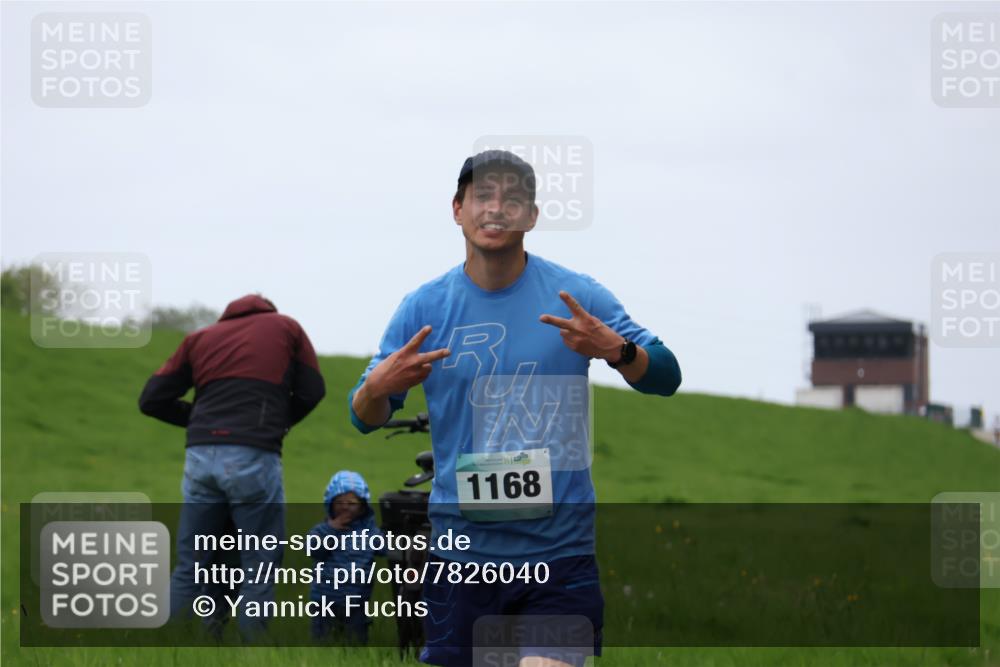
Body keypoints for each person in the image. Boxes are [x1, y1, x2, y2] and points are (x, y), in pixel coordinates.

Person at [349, 150, 681, 667]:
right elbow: (362, 417)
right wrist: (377, 388)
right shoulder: (424, 308)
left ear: (532, 216)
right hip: (460, 561)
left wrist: (618, 351)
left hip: (559, 560)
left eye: (513, 199)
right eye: (482, 195)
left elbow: (666, 375)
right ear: (458, 209)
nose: (496, 208)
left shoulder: (577, 296)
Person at [138, 294, 326, 638]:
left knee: (190, 566)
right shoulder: (286, 328)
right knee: (260, 564)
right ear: (267, 309)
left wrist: (200, 419)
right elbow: (313, 390)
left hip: (200, 457)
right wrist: (276, 423)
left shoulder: (200, 338)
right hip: (253, 455)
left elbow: (151, 399)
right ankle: (252, 648)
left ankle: (160, 645)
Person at [307, 470, 386, 644]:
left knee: (356, 640)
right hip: (324, 600)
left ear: (363, 506)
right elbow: (314, 549)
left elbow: (388, 548)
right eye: (339, 502)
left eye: (352, 503)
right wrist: (331, 529)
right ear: (330, 504)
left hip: (357, 598)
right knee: (323, 640)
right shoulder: (321, 530)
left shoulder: (370, 533)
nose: (345, 507)